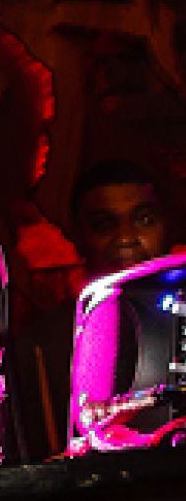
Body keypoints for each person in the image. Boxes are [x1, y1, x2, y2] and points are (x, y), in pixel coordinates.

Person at [14, 157, 170, 459]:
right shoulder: (42, 348)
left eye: (144, 219)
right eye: (104, 225)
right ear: (78, 237)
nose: (126, 238)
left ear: (169, 224)